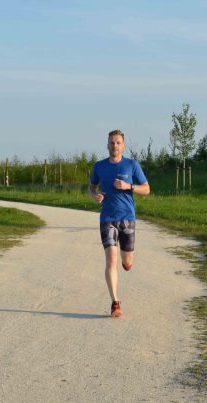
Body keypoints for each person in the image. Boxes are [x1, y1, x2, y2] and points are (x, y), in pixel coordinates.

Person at [88, 129, 150, 318]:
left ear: (123, 145)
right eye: (111, 142)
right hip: (107, 218)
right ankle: (115, 302)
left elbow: (146, 189)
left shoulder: (132, 165)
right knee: (111, 261)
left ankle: (127, 262)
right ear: (107, 145)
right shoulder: (99, 166)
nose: (114, 145)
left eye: (118, 142)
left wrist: (129, 186)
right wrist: (94, 196)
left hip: (127, 218)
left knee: (126, 261)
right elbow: (91, 187)